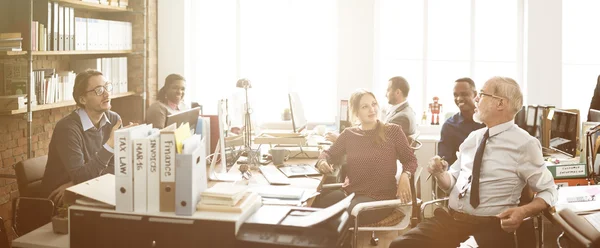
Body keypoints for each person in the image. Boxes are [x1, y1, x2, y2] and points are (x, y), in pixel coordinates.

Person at [389, 76, 557, 248]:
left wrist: (522, 212)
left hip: (490, 227)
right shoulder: (473, 138)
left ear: (500, 103)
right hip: (452, 221)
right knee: (399, 245)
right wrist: (440, 173)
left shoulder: (525, 144)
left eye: (482, 94)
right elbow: (452, 182)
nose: (476, 98)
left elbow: (549, 191)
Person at [313, 89, 419, 226]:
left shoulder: (393, 131)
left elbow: (410, 160)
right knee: (314, 209)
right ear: (356, 113)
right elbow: (329, 153)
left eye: (374, 104)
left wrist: (406, 175)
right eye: (365, 106)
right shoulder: (349, 134)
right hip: (350, 194)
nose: (372, 109)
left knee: (339, 221)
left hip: (379, 200)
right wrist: (322, 161)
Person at [41, 69, 123, 204]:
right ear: (82, 99)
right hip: (60, 201)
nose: (107, 93)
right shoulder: (67, 128)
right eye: (99, 90)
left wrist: (75, 182)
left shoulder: (114, 119)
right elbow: (82, 176)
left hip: (90, 189)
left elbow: (117, 167)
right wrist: (110, 145)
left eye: (107, 87)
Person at [325, 76, 416, 142]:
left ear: (397, 92)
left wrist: (340, 140)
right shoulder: (405, 110)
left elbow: (377, 143)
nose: (385, 94)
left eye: (388, 90)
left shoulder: (402, 117)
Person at [438, 77, 485, 165]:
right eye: (455, 95)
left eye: (464, 94)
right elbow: (445, 160)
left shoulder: (488, 121)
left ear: (475, 94)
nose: (459, 98)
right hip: (460, 175)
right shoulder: (449, 126)